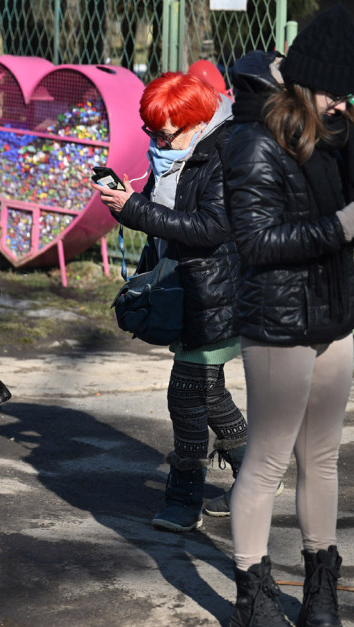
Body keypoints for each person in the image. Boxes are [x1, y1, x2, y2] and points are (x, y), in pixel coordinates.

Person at [221, 6, 354, 627]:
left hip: (333, 312)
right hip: (277, 322)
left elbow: (342, 212)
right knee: (268, 460)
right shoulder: (251, 139)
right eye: (333, 91)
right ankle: (251, 595)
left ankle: (320, 587)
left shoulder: (337, 128)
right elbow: (257, 242)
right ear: (302, 80)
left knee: (321, 457)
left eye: (350, 94)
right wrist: (345, 224)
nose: (340, 103)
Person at [94, 72, 256, 533]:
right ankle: (255, 476)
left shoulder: (225, 151)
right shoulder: (174, 152)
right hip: (185, 287)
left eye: (171, 131)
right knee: (207, 389)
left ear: (200, 119)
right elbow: (166, 212)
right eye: (154, 131)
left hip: (217, 290)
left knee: (185, 393)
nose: (162, 140)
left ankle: (184, 496)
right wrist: (126, 202)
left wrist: (138, 210)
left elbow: (210, 229)